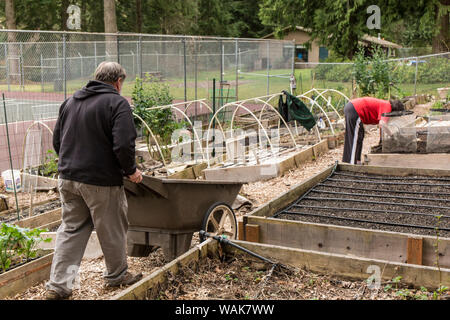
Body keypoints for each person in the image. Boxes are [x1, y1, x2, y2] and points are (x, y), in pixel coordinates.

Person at [45, 62, 143, 300]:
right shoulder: (117, 103)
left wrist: (72, 164)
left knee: (71, 229)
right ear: (118, 82)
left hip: (68, 178)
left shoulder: (71, 102)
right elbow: (123, 145)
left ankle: (59, 286)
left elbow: (58, 142)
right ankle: (117, 275)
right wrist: (131, 171)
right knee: (112, 228)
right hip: (101, 181)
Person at [342, 97, 404, 164]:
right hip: (354, 109)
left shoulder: (386, 105)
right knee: (354, 138)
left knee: (360, 136)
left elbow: (382, 127)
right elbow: (382, 124)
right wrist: (391, 135)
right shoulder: (387, 107)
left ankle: (357, 161)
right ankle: (352, 164)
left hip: (352, 107)